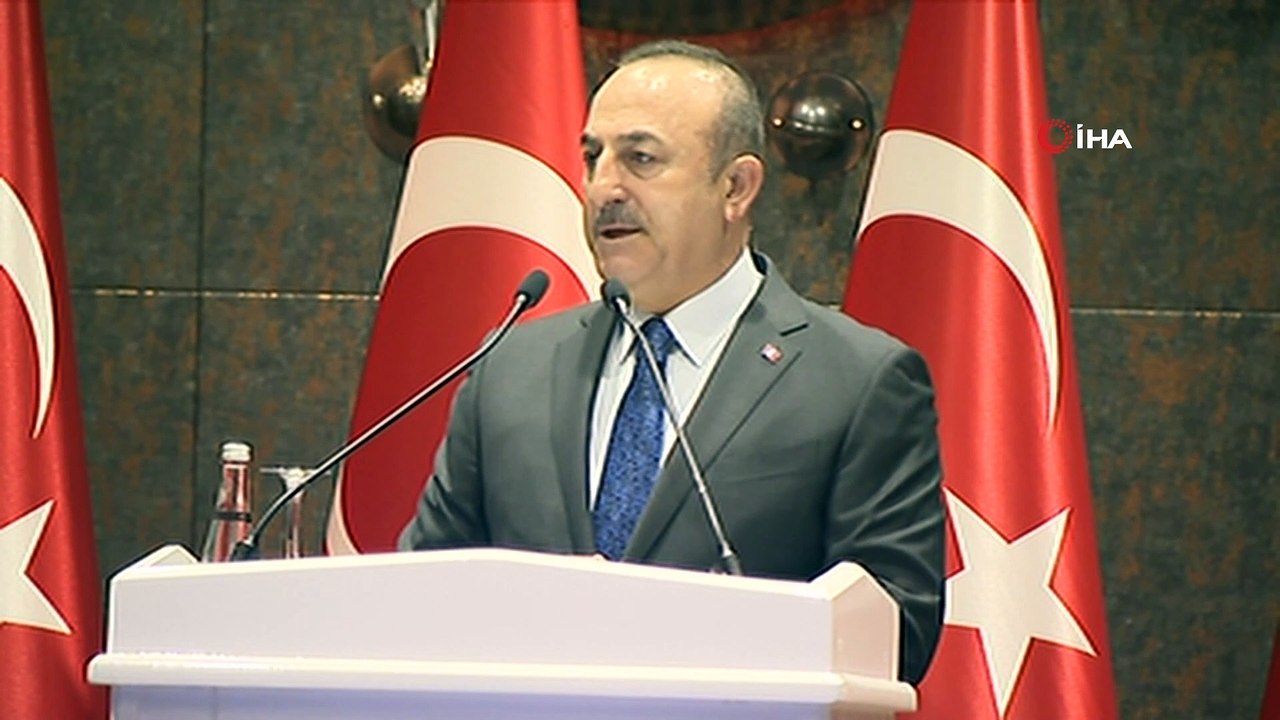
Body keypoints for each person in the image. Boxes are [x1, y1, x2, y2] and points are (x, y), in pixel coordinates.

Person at [399, 39, 944, 685]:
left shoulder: (857, 381)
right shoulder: (511, 367)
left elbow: (895, 634)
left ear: (735, 187)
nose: (604, 188)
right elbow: (423, 596)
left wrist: (663, 630)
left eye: (641, 158)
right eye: (593, 158)